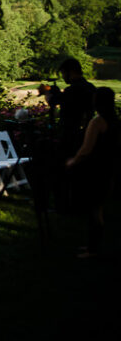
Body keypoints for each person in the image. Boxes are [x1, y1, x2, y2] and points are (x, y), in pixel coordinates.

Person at [66, 87, 121, 258]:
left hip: (96, 169)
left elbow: (86, 148)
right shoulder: (115, 120)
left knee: (94, 210)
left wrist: (73, 161)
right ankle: (92, 246)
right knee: (98, 208)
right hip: (110, 167)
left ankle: (92, 249)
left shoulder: (97, 121)